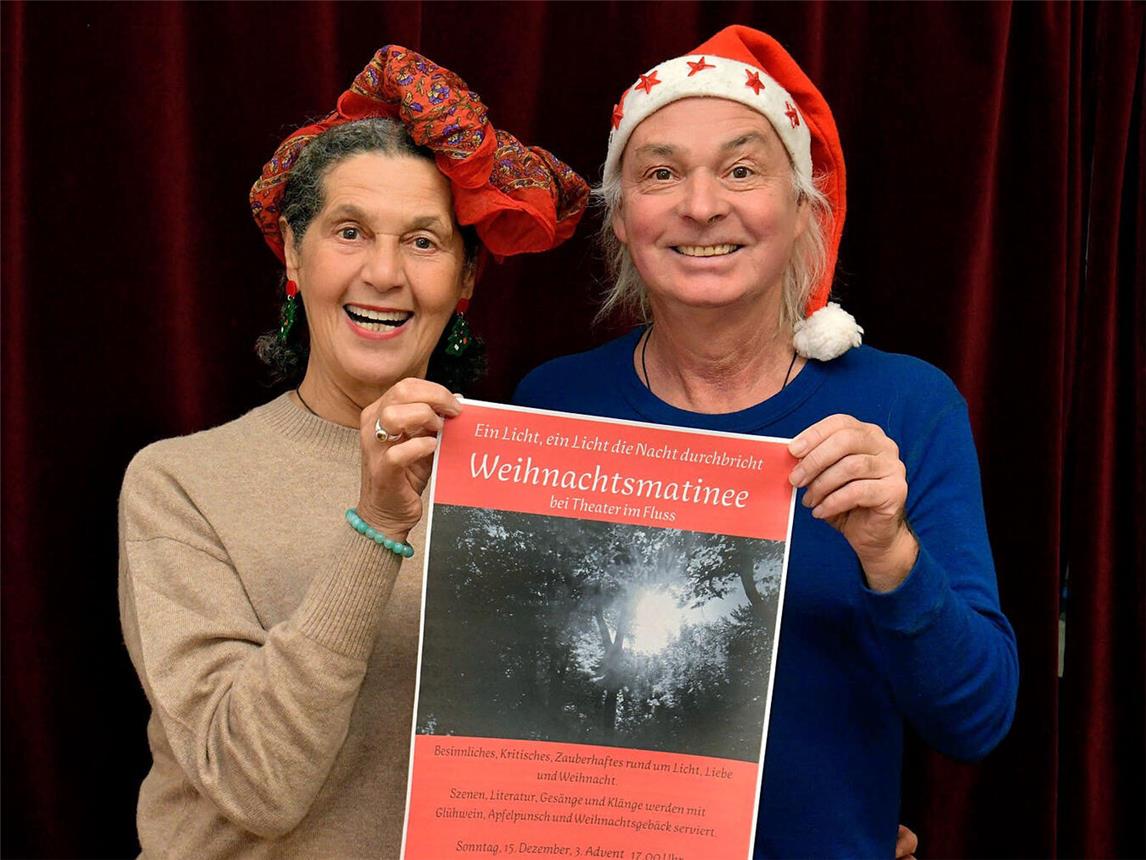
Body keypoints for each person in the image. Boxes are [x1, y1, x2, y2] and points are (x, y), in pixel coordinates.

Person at [515, 25, 1019, 858]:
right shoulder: (556, 403)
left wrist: (890, 553)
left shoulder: (907, 407)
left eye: (742, 170)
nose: (702, 205)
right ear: (623, 217)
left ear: (801, 206)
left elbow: (976, 720)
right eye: (661, 173)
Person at [118, 45, 587, 857]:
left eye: (424, 242)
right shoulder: (179, 484)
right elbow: (256, 783)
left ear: (465, 280)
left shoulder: (531, 481)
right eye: (348, 232)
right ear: (293, 257)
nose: (383, 273)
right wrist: (376, 524)